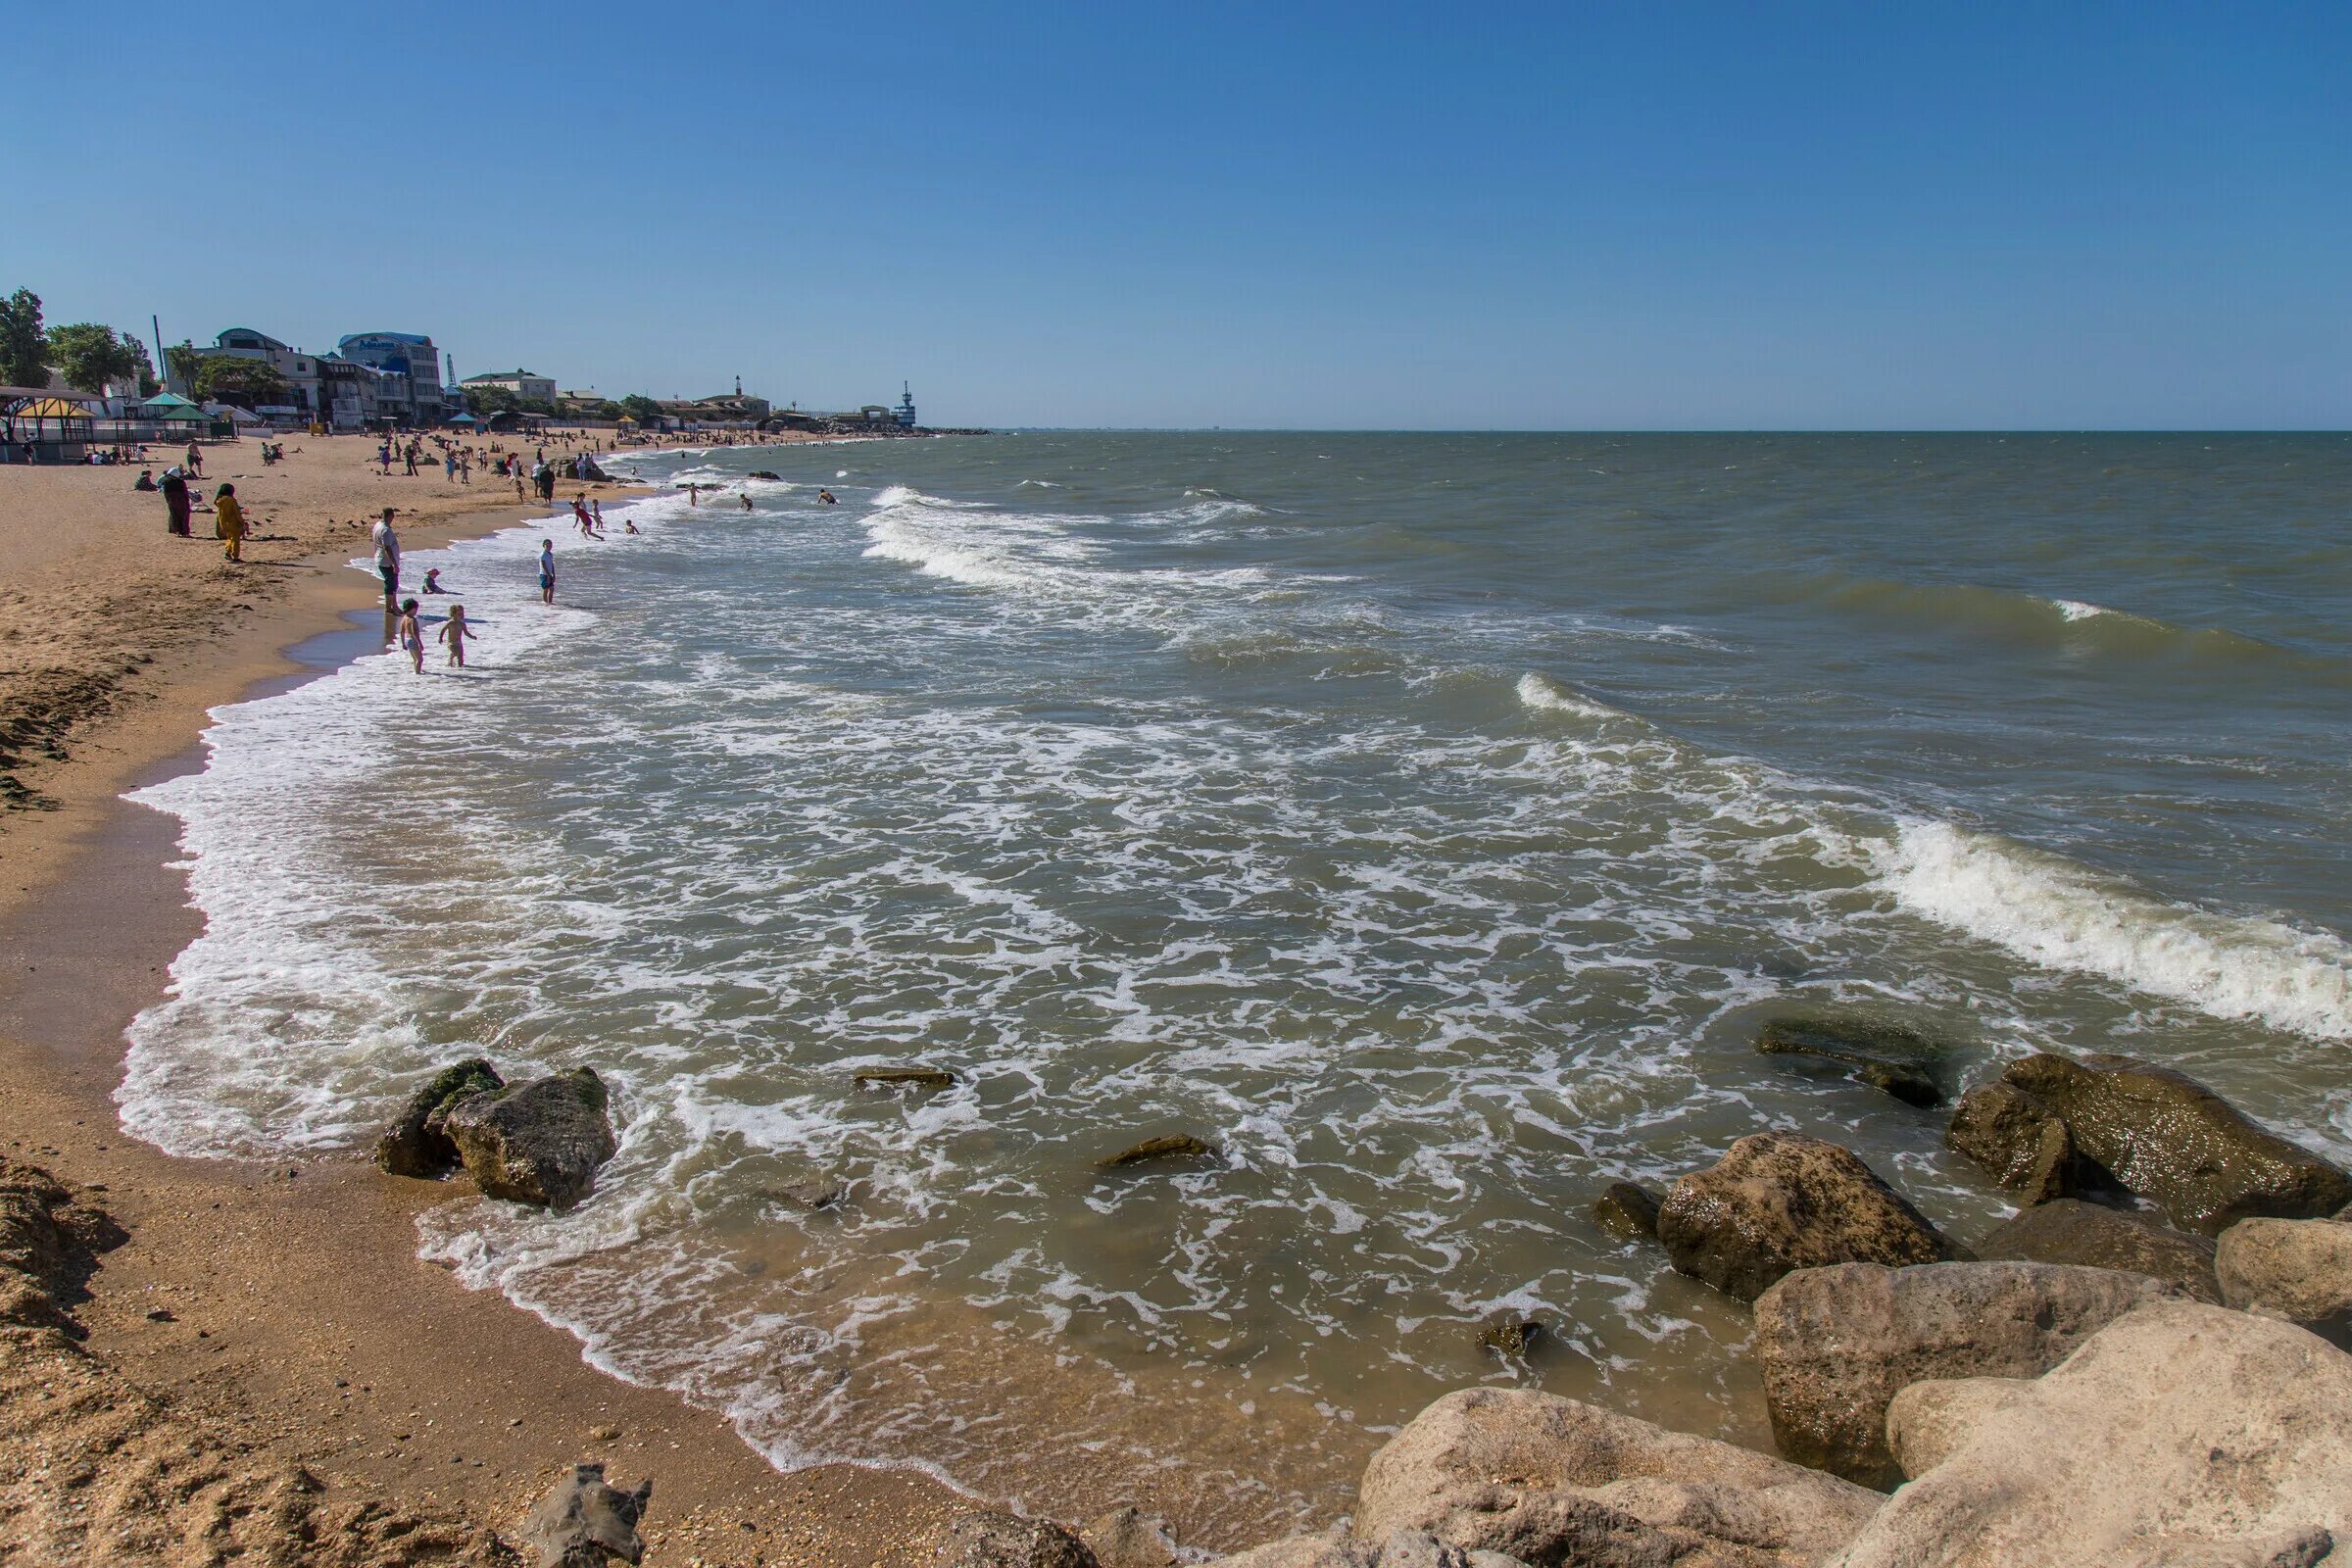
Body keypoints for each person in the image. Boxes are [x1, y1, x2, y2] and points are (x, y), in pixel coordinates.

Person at [371, 509, 401, 605]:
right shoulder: (386, 530)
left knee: (393, 584)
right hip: (387, 562)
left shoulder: (378, 525)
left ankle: (394, 605)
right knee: (391, 585)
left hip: (381, 558)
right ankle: (390, 608)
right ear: (391, 516)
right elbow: (387, 547)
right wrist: (394, 564)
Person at [437, 603, 476, 667]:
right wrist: (440, 638)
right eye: (459, 613)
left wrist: (472, 636)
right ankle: (450, 661)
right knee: (455, 652)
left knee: (460, 659)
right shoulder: (450, 623)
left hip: (459, 643)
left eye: (462, 613)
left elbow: (466, 633)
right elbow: (443, 629)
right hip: (451, 643)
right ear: (453, 613)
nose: (461, 614)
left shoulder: (462, 624)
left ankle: (460, 669)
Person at [214, 483, 245, 562]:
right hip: (232, 523)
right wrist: (242, 522)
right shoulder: (231, 500)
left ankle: (228, 552)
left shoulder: (219, 500)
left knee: (230, 538)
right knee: (236, 540)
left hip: (223, 523)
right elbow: (236, 513)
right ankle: (235, 556)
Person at [160, 466, 191, 536]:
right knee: (184, 516)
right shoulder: (181, 482)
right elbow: (185, 493)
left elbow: (166, 493)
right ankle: (184, 532)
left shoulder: (166, 482)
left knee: (174, 515)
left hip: (171, 501)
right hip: (181, 501)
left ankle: (176, 531)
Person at [396, 598, 424, 674]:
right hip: (413, 640)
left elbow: (402, 632)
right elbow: (414, 632)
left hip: (407, 640)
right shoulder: (412, 620)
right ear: (411, 609)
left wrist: (402, 643)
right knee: (420, 659)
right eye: (416, 609)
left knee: (415, 659)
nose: (416, 611)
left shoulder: (404, 618)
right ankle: (418, 674)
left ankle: (416, 671)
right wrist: (419, 643)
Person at [537, 538, 557, 605]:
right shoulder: (543, 555)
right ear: (544, 546)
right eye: (547, 546)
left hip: (549, 574)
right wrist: (548, 576)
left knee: (551, 589)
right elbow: (544, 566)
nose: (549, 547)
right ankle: (545, 602)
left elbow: (551, 564)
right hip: (544, 574)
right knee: (546, 589)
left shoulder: (550, 554)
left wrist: (553, 575)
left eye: (550, 545)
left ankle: (550, 602)